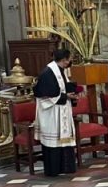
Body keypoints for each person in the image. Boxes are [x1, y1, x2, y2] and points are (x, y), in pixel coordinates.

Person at [33, 48, 79, 177]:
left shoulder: (60, 70)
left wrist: (73, 91)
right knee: (53, 141)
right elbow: (45, 95)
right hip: (51, 113)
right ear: (64, 60)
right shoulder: (48, 72)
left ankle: (66, 167)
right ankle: (54, 169)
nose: (70, 61)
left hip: (61, 110)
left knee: (63, 139)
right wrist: (66, 97)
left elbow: (62, 87)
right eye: (70, 59)